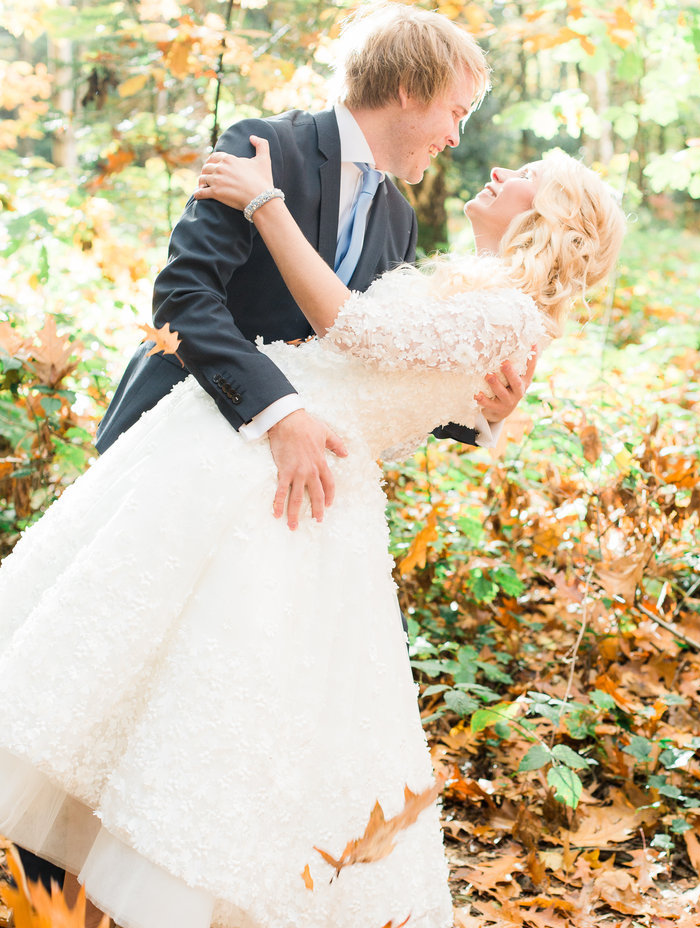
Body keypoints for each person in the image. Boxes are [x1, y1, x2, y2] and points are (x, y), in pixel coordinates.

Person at [0, 140, 624, 928]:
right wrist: (487, 413)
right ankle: (63, 888)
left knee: (210, 691)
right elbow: (415, 382)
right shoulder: (480, 291)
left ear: (549, 216)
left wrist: (266, 204)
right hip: (246, 456)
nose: (496, 169)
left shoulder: (503, 311)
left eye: (524, 177)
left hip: (284, 486)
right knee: (131, 666)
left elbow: (351, 327)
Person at [94, 2, 533, 530]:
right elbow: (183, 297)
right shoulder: (265, 147)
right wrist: (279, 409)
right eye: (456, 113)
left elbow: (376, 361)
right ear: (410, 90)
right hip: (173, 438)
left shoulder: (399, 219)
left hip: (273, 493)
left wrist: (482, 412)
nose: (456, 138)